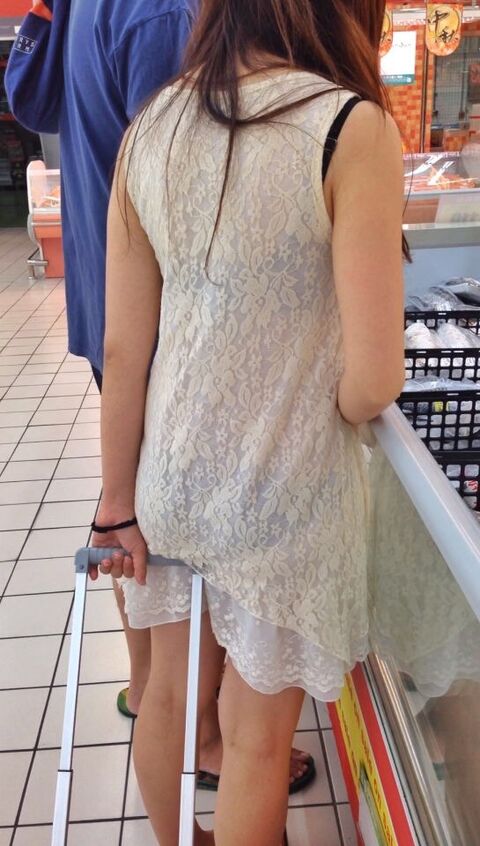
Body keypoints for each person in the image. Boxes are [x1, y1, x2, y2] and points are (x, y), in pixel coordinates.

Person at [95, 0, 406, 840]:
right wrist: (323, 405)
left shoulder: (152, 127)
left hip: (172, 479)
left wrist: (115, 504)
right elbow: (375, 379)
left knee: (167, 693)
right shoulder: (349, 127)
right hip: (282, 491)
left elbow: (124, 348)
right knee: (257, 738)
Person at [5, 0, 315, 793]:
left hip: (112, 302)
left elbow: (31, 103)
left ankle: (151, 687)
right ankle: (195, 728)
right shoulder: (163, 16)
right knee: (170, 523)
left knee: (136, 504)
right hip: (162, 326)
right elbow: (193, 190)